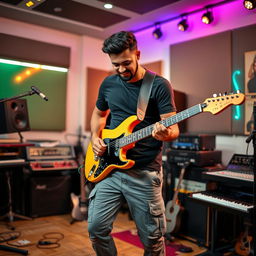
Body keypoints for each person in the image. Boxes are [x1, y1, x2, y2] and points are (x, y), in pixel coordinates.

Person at [87, 31, 180, 256]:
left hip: (144, 173)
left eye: (126, 63)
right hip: (109, 168)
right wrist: (95, 137)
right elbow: (98, 114)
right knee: (96, 228)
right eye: (115, 64)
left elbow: (173, 129)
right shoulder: (108, 83)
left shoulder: (158, 85)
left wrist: (164, 133)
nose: (121, 70)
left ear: (137, 54)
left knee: (152, 238)